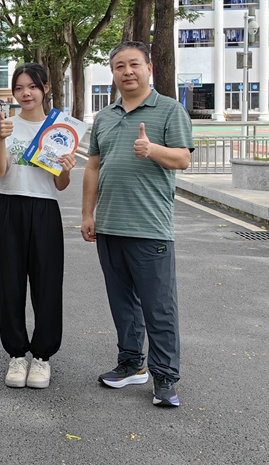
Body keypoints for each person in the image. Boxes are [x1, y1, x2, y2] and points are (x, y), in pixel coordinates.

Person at [81, 41, 193, 408]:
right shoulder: (105, 117)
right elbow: (93, 167)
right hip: (109, 226)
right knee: (122, 304)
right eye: (119, 66)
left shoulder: (170, 110)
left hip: (149, 227)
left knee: (159, 307)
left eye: (134, 64)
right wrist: (87, 214)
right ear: (112, 73)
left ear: (149, 68)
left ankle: (165, 377)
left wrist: (152, 150)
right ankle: (131, 364)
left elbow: (183, 159)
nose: (127, 71)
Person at [0, 63, 75, 390]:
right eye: (20, 88)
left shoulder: (59, 129)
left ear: (46, 88)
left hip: (45, 209)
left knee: (47, 283)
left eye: (33, 87)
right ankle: (16, 355)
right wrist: (1, 138)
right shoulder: (4, 126)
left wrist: (66, 169)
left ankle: (42, 357)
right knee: (10, 282)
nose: (26, 93)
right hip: (9, 206)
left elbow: (60, 185)